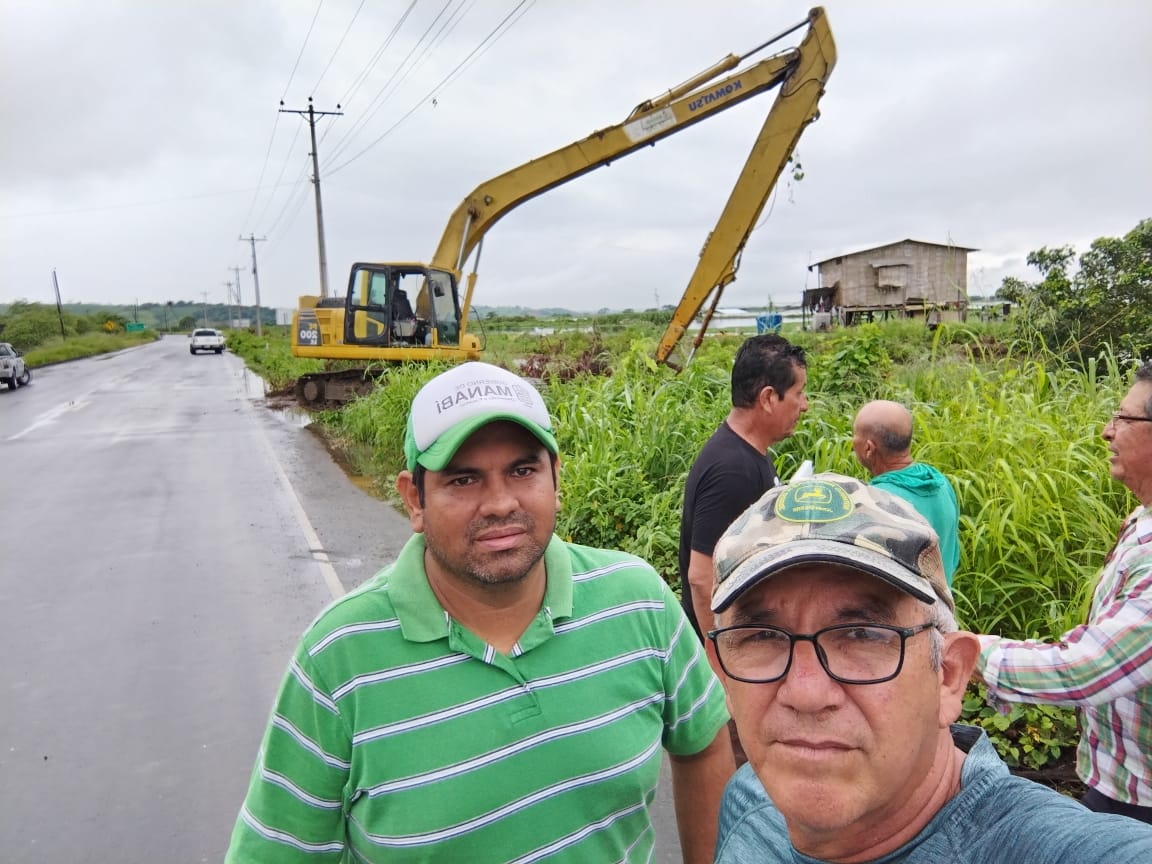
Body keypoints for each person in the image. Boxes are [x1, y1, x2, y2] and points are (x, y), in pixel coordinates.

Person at [226, 361, 733, 863]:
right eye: (464, 479)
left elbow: (704, 742)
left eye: (523, 470)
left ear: (556, 477)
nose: (500, 503)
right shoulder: (339, 658)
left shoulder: (638, 599)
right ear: (414, 500)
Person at [706, 472, 1152, 862]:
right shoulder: (750, 800)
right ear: (722, 673)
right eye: (761, 636)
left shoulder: (1052, 847)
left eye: (863, 634)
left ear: (949, 676)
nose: (806, 693)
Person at [975, 360, 1152, 823]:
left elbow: (1087, 668)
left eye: (1122, 418)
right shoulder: (1141, 519)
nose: (1106, 432)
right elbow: (1109, 640)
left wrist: (969, 652)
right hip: (1121, 782)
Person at [679, 333, 808, 652]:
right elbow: (700, 577)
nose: (804, 405)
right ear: (768, 398)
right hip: (729, 650)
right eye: (798, 393)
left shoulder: (749, 452)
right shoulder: (732, 470)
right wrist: (720, 658)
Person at [852, 399, 961, 584]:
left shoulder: (876, 501)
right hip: (942, 600)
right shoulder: (941, 483)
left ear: (868, 448)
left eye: (854, 435)